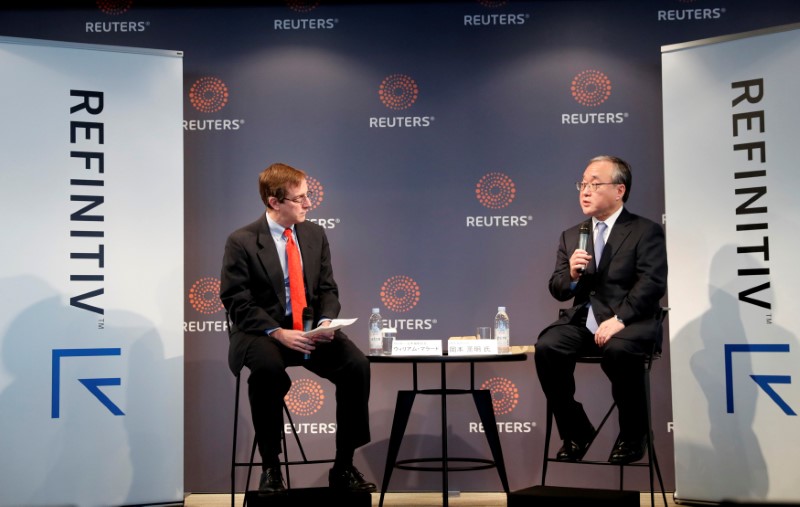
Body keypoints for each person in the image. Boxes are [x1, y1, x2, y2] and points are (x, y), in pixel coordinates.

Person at [220, 162, 376, 495]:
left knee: (356, 366)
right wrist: (275, 332)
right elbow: (236, 300)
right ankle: (271, 468)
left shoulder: (314, 234)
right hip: (261, 333)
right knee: (267, 371)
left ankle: (344, 466)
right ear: (274, 202)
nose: (308, 204)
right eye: (300, 198)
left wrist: (324, 322)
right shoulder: (242, 241)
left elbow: (328, 289)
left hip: (308, 331)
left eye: (308, 196)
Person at [534, 155, 667, 465]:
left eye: (595, 184)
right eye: (583, 184)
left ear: (619, 190)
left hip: (631, 322)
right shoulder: (572, 235)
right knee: (548, 347)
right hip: (586, 320)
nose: (585, 190)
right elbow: (557, 288)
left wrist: (620, 319)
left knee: (618, 351)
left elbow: (652, 283)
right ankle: (577, 430)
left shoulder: (644, 231)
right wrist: (572, 275)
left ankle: (634, 434)